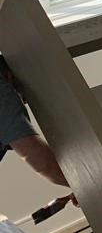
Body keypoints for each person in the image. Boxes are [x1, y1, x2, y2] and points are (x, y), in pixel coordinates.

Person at [0, 56, 75, 201]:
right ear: (10, 76)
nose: (25, 101)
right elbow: (38, 158)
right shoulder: (3, 93)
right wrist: (84, 184)